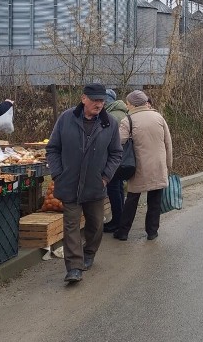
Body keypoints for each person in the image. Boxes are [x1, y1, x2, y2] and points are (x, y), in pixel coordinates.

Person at [46, 83, 123, 284]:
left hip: (95, 184)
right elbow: (53, 148)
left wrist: (105, 176)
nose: (99, 104)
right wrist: (57, 174)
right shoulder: (66, 118)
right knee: (70, 225)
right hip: (69, 183)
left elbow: (116, 153)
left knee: (96, 224)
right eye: (95, 100)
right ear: (84, 99)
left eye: (102, 101)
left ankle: (89, 252)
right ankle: (74, 267)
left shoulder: (110, 123)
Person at [114, 90, 173, 242]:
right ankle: (152, 232)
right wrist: (168, 165)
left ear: (133, 104)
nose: (127, 106)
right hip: (159, 165)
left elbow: (118, 142)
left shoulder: (129, 120)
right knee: (155, 200)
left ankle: (123, 232)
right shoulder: (159, 117)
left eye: (127, 103)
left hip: (139, 166)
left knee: (132, 199)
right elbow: (168, 143)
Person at [102, 89, 129, 234]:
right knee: (118, 187)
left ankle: (117, 221)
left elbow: (108, 140)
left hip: (113, 158)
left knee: (113, 188)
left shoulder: (111, 116)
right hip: (124, 158)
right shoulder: (123, 112)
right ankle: (121, 218)